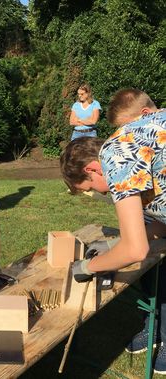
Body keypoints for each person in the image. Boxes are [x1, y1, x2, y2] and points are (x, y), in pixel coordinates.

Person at [60, 88, 166, 374]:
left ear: (94, 169)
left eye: (90, 188)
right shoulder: (150, 132)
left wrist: (89, 265)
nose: (97, 194)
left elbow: (136, 251)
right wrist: (130, 240)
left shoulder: (115, 153)